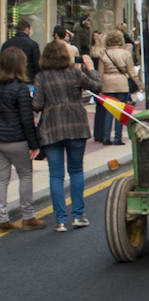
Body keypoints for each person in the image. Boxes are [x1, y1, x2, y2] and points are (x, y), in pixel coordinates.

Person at [33, 40, 101, 232]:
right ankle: (78, 216)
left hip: (51, 127)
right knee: (76, 170)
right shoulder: (75, 73)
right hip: (76, 125)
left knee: (56, 175)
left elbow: (37, 105)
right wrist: (91, 68)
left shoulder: (41, 77)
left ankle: (60, 220)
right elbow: (97, 86)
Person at [0, 46, 44, 231]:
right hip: (17, 139)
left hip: (0, 139)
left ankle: (2, 218)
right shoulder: (21, 89)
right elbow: (27, 119)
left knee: (2, 179)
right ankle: (28, 216)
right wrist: (34, 144)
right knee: (25, 175)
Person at [94, 31, 141, 146]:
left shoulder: (103, 54)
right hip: (121, 83)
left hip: (107, 84)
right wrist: (139, 85)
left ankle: (106, 137)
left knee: (108, 111)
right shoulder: (125, 54)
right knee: (120, 111)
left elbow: (100, 74)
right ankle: (117, 137)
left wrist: (99, 87)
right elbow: (131, 72)